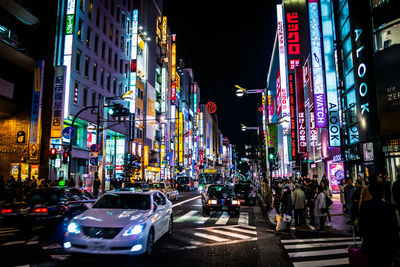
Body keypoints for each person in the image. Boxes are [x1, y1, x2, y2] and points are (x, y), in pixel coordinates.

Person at [359, 182, 399, 267]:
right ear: (383, 192)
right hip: (386, 246)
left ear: (371, 192)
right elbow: (394, 229)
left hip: (371, 245)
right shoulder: (389, 207)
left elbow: (362, 227)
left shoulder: (365, 206)